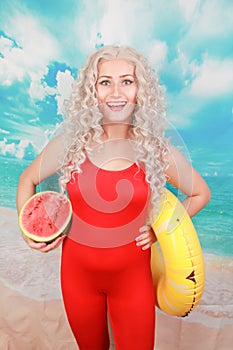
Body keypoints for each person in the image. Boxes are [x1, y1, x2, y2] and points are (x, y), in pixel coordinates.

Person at [16, 45, 211, 350]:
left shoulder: (156, 151)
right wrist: (30, 229)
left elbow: (200, 193)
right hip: (76, 277)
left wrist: (159, 233)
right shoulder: (71, 144)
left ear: (140, 91)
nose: (116, 92)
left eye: (127, 81)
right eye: (105, 82)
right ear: (92, 91)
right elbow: (27, 179)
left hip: (133, 281)